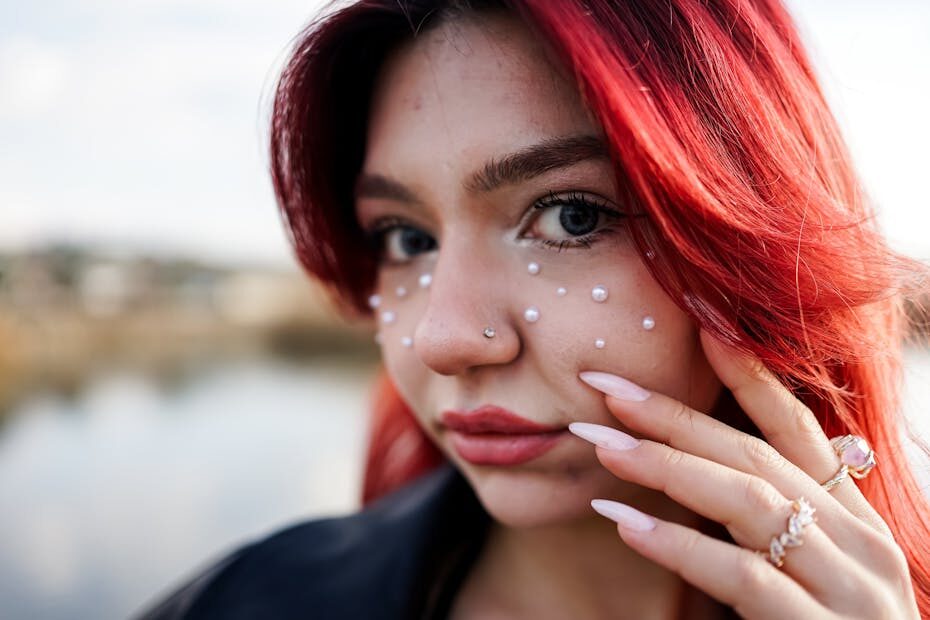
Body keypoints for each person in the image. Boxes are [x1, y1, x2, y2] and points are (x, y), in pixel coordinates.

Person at [135, 0, 930, 618]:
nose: (443, 338)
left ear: (755, 244)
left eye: (571, 216)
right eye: (407, 237)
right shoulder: (247, 605)